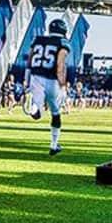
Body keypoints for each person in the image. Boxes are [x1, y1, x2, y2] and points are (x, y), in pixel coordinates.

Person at [24, 18, 70, 155]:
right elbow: (60, 65)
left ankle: (34, 107)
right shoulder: (63, 43)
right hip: (51, 79)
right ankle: (53, 145)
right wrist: (63, 85)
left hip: (35, 76)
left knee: (37, 110)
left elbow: (29, 60)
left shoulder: (38, 40)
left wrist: (26, 80)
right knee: (56, 113)